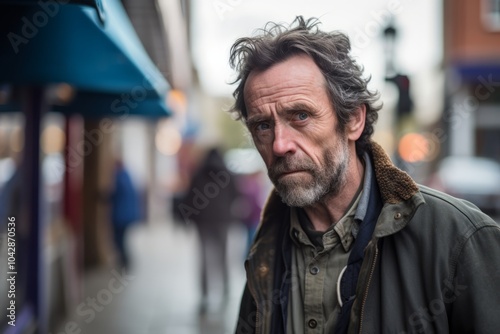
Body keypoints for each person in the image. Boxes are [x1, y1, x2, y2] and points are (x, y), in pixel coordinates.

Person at [228, 16, 500, 334]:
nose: (279, 144)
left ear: (354, 120)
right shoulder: (264, 249)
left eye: (300, 115)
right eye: (263, 125)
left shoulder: (460, 239)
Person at [181, 147, 239, 314]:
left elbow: (190, 197)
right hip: (222, 220)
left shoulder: (199, 173)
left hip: (203, 221)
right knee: (222, 256)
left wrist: (188, 218)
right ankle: (226, 288)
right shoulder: (227, 173)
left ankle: (205, 295)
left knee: (204, 257)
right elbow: (236, 195)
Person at [110, 160, 142, 270]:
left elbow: (114, 194)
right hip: (127, 215)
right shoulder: (127, 176)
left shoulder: (119, 178)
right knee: (122, 239)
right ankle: (125, 261)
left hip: (121, 216)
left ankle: (125, 261)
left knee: (119, 240)